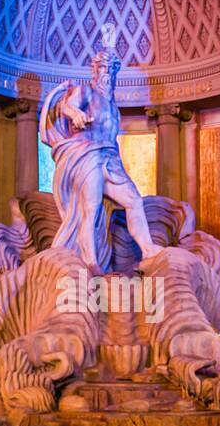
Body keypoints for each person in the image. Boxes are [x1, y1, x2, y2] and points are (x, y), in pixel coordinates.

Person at [41, 50, 159, 272]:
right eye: (105, 68)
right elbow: (65, 106)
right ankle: (91, 262)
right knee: (90, 209)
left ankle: (148, 249)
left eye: (113, 70)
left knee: (134, 200)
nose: (109, 74)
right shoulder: (85, 91)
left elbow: (112, 139)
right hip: (87, 155)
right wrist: (75, 113)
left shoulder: (113, 107)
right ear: (95, 71)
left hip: (109, 159)